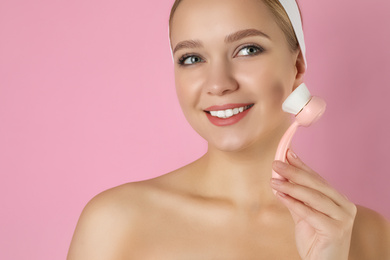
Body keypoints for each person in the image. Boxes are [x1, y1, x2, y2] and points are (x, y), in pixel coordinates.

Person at [67, 0, 390, 259]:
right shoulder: (114, 222)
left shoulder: (365, 235)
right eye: (192, 58)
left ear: (297, 66)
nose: (219, 84)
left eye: (248, 49)